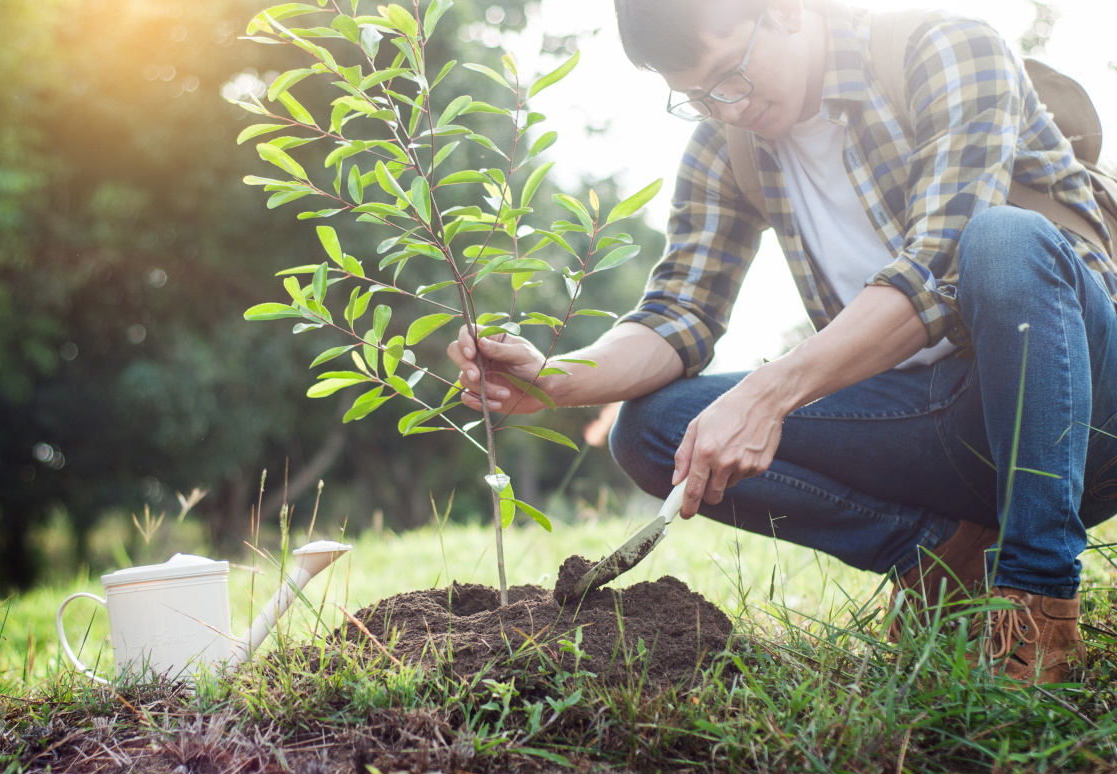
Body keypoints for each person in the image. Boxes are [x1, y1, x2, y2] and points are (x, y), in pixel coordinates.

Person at [447, 0, 1117, 685]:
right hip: (937, 424)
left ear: (786, 10)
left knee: (1004, 240)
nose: (727, 107)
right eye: (697, 96)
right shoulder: (725, 145)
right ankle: (944, 558)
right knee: (652, 430)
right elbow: (678, 313)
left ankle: (1035, 609)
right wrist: (553, 380)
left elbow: (939, 269)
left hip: (1080, 409)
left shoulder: (945, 49)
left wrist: (768, 393)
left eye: (729, 76)